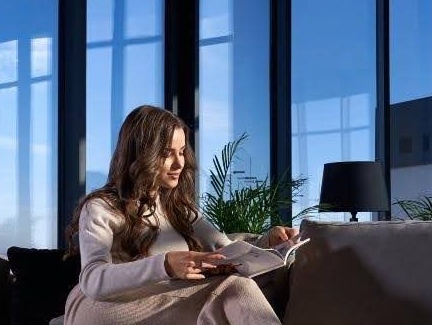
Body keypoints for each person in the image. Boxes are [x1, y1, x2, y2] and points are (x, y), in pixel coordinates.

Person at [63, 105, 296, 325]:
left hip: (163, 303)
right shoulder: (101, 207)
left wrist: (270, 242)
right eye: (167, 153)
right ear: (142, 154)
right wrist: (165, 265)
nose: (179, 163)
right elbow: (92, 279)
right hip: (104, 307)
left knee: (235, 287)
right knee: (235, 289)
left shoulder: (180, 210)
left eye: (182, 152)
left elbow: (226, 249)